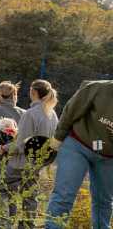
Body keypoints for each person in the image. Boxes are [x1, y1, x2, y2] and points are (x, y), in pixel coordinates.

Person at [45, 80, 113, 229]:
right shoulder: (98, 88)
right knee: (64, 195)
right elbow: (71, 111)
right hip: (78, 145)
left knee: (104, 201)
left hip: (108, 157)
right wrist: (57, 140)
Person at [0, 79, 58, 228]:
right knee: (30, 197)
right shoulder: (52, 115)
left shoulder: (31, 114)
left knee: (0, 188)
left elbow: (20, 144)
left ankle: (2, 223)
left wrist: (3, 148)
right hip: (38, 163)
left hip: (20, 162)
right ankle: (26, 226)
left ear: (34, 92)